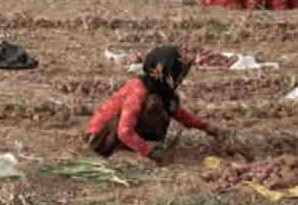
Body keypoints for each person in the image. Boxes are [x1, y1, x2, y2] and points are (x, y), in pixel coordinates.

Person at [84, 46, 220, 162]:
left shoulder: (159, 88)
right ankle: (122, 147)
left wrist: (206, 127)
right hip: (101, 135)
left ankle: (134, 145)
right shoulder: (139, 90)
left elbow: (179, 113)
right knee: (154, 104)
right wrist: (151, 153)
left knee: (164, 104)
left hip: (119, 131)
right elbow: (124, 131)